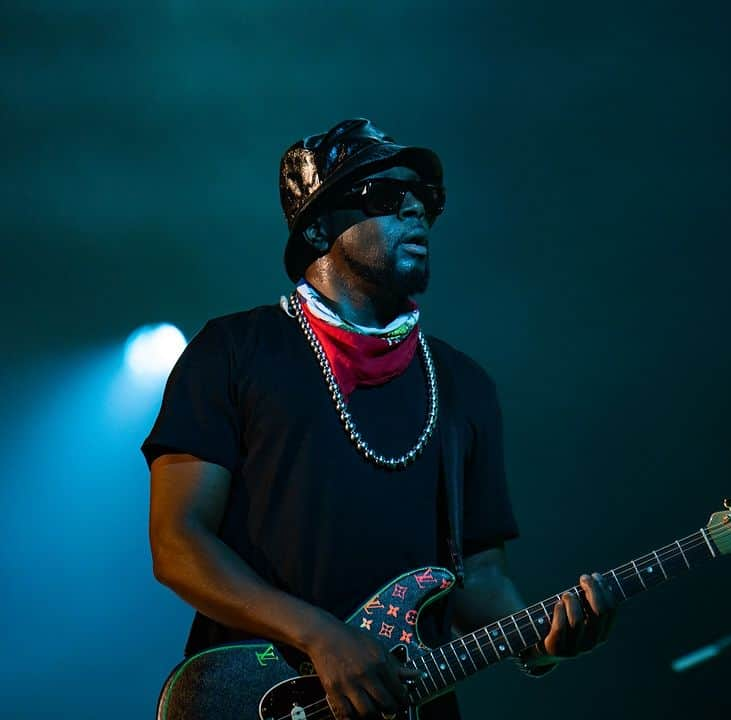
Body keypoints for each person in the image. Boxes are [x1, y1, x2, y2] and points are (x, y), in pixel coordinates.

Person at [143, 118, 618, 720]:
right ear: (317, 224)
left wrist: (546, 642)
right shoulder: (233, 352)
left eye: (428, 201)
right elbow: (178, 542)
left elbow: (478, 578)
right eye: (387, 198)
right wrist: (322, 635)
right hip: (258, 700)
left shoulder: (465, 385)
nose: (416, 211)